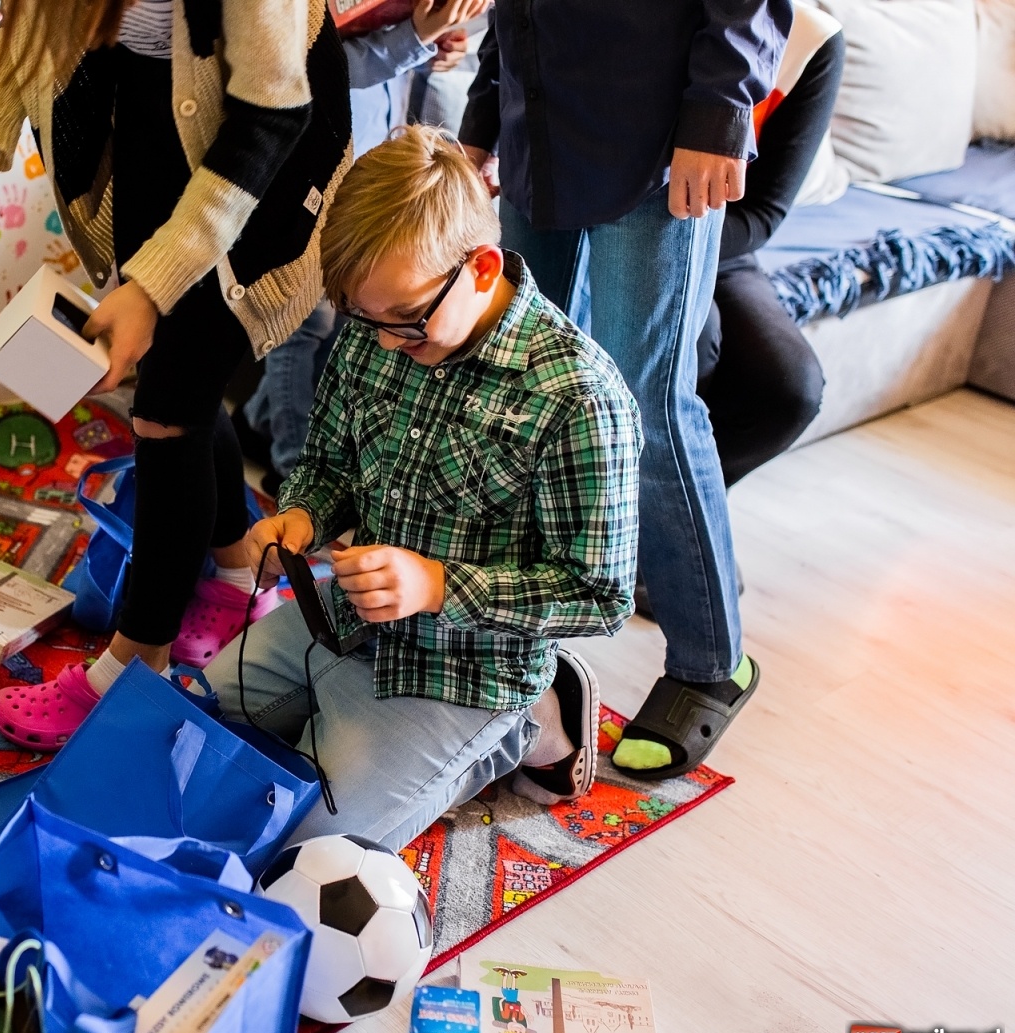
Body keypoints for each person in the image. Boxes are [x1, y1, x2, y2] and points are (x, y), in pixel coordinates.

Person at [0, 0, 352, 743]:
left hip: (265, 155)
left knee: (166, 412)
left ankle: (133, 668)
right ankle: (237, 578)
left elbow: (270, 118)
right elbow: (33, 23)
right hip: (151, 118)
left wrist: (152, 286)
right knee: (181, 389)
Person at [204, 128, 643, 848]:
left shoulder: (578, 399)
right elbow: (330, 463)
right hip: (344, 622)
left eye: (407, 323)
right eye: (364, 318)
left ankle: (536, 720)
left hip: (467, 673)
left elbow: (600, 597)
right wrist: (304, 515)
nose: (383, 341)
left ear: (482, 268)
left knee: (301, 848)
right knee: (187, 726)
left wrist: (436, 585)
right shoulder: (382, 318)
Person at [457, 0, 791, 779]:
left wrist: (719, 108)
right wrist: (483, 119)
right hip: (538, 129)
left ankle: (712, 664)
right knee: (523, 385)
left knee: (646, 405)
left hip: (658, 139)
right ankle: (517, 639)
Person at [237, 0, 486, 493]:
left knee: (344, 323)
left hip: (364, 172)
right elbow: (313, 66)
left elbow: (396, 75)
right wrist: (415, 39)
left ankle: (255, 422)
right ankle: (293, 470)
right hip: (310, 170)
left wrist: (435, 50)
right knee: (304, 325)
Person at [698, 3, 842, 488]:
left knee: (789, 389)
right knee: (695, 343)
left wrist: (680, 250)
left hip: (723, 243)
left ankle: (687, 507)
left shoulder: (812, 42)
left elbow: (762, 212)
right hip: (607, 227)